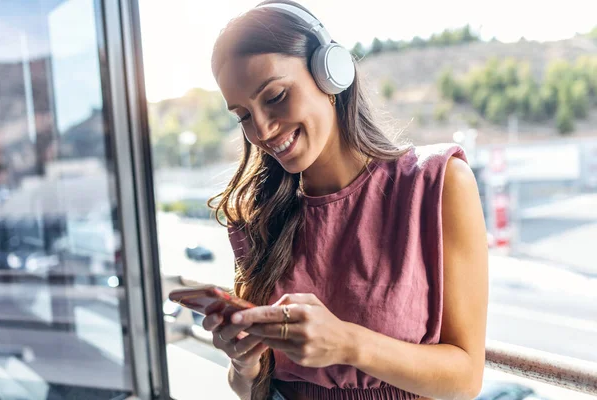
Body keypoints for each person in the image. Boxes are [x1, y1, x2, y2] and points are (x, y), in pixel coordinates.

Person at [203, 1, 488, 399]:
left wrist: (347, 343)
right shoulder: (255, 217)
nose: (263, 130)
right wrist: (244, 364)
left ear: (330, 74)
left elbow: (466, 378)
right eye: (243, 115)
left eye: (275, 96)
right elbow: (255, 391)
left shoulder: (437, 185)